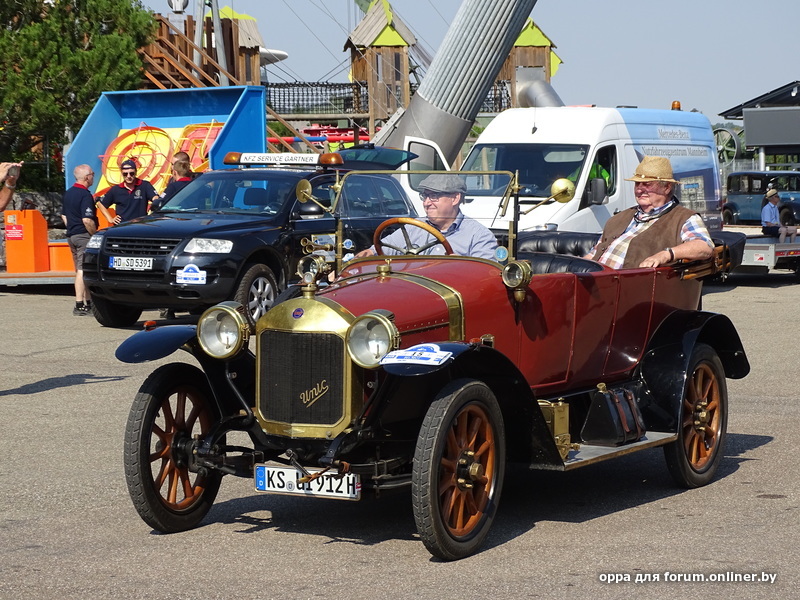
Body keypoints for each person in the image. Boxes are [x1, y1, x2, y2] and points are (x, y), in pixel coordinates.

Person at [586, 156, 714, 269]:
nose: (639, 190)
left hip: (633, 285)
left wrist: (666, 254)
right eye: (637, 184)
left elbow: (704, 247)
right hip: (596, 280)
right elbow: (593, 255)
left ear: (666, 187)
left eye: (647, 184)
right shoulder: (617, 219)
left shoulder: (684, 218)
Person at [355, 173, 498, 260]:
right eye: (425, 196)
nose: (426, 203)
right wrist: (360, 259)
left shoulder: (479, 236)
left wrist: (462, 266)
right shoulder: (413, 227)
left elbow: (486, 276)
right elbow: (378, 250)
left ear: (455, 198)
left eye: (434, 196)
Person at [61, 164, 98, 316]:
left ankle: (88, 303)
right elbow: (87, 220)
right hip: (83, 235)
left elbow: (64, 215)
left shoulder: (68, 193)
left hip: (72, 235)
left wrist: (72, 227)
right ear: (87, 177)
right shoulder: (85, 195)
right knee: (83, 270)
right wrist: (94, 234)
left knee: (81, 270)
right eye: (92, 174)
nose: (93, 177)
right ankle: (79, 305)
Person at [97, 159, 159, 224]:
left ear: (136, 172)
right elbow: (101, 204)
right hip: (123, 226)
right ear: (121, 173)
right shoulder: (116, 190)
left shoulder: (144, 185)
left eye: (131, 173)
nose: (128, 176)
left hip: (140, 225)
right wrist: (110, 219)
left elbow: (155, 198)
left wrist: (155, 202)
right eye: (125, 174)